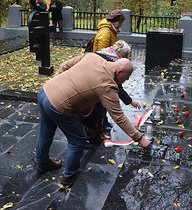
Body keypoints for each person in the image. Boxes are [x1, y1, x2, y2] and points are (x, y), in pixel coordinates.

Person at [35, 53, 152, 187]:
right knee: (78, 140)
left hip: (45, 91)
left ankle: (42, 162)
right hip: (59, 105)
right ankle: (68, 177)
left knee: (46, 131)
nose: (127, 80)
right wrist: (140, 138)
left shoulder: (93, 57)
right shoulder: (108, 86)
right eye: (127, 76)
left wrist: (56, 85)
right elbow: (119, 117)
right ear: (119, 72)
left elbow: (65, 65)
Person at [83, 40, 141, 146]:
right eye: (126, 55)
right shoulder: (111, 62)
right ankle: (88, 137)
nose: (126, 57)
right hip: (92, 88)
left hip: (95, 87)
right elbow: (117, 86)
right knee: (93, 113)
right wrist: (130, 101)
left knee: (99, 110)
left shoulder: (108, 55)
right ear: (120, 53)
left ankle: (98, 130)